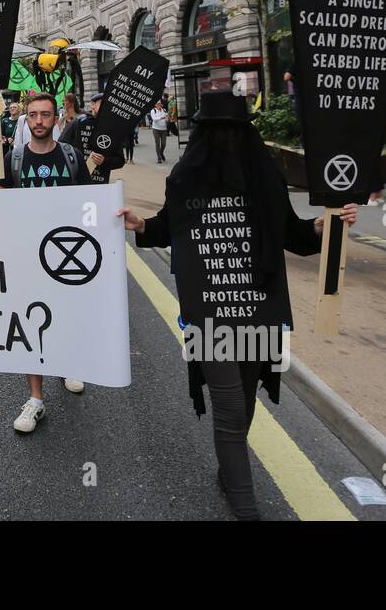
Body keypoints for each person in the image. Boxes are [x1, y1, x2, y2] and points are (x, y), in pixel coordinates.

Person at [117, 90, 360, 518]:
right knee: (229, 406)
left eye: (232, 131)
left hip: (258, 308)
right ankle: (245, 505)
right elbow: (170, 227)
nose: (224, 141)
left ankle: (229, 474)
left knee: (246, 400)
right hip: (208, 312)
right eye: (215, 132)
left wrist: (322, 228)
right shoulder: (186, 179)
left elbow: (291, 234)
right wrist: (142, 226)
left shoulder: (264, 178)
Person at [0, 91, 90, 433]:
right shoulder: (14, 158)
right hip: (27, 254)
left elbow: (90, 204)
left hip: (65, 254)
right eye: (33, 115)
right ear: (26, 119)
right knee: (32, 322)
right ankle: (36, 399)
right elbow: (2, 204)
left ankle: (69, 364)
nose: (39, 121)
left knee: (67, 314)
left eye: (46, 114)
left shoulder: (72, 156)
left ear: (57, 119)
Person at [61, 92, 125, 184]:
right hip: (76, 181)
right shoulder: (78, 122)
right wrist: (73, 162)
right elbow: (61, 146)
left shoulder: (112, 129)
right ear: (93, 105)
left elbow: (120, 160)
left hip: (99, 183)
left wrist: (104, 161)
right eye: (102, 103)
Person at [148, 100, 169, 164]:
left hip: (164, 129)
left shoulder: (164, 110)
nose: (159, 105)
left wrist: (167, 119)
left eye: (160, 104)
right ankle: (159, 158)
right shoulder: (153, 111)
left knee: (163, 143)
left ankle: (161, 152)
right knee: (157, 143)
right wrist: (161, 117)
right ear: (155, 105)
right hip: (156, 129)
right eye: (157, 104)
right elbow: (154, 119)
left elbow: (167, 118)